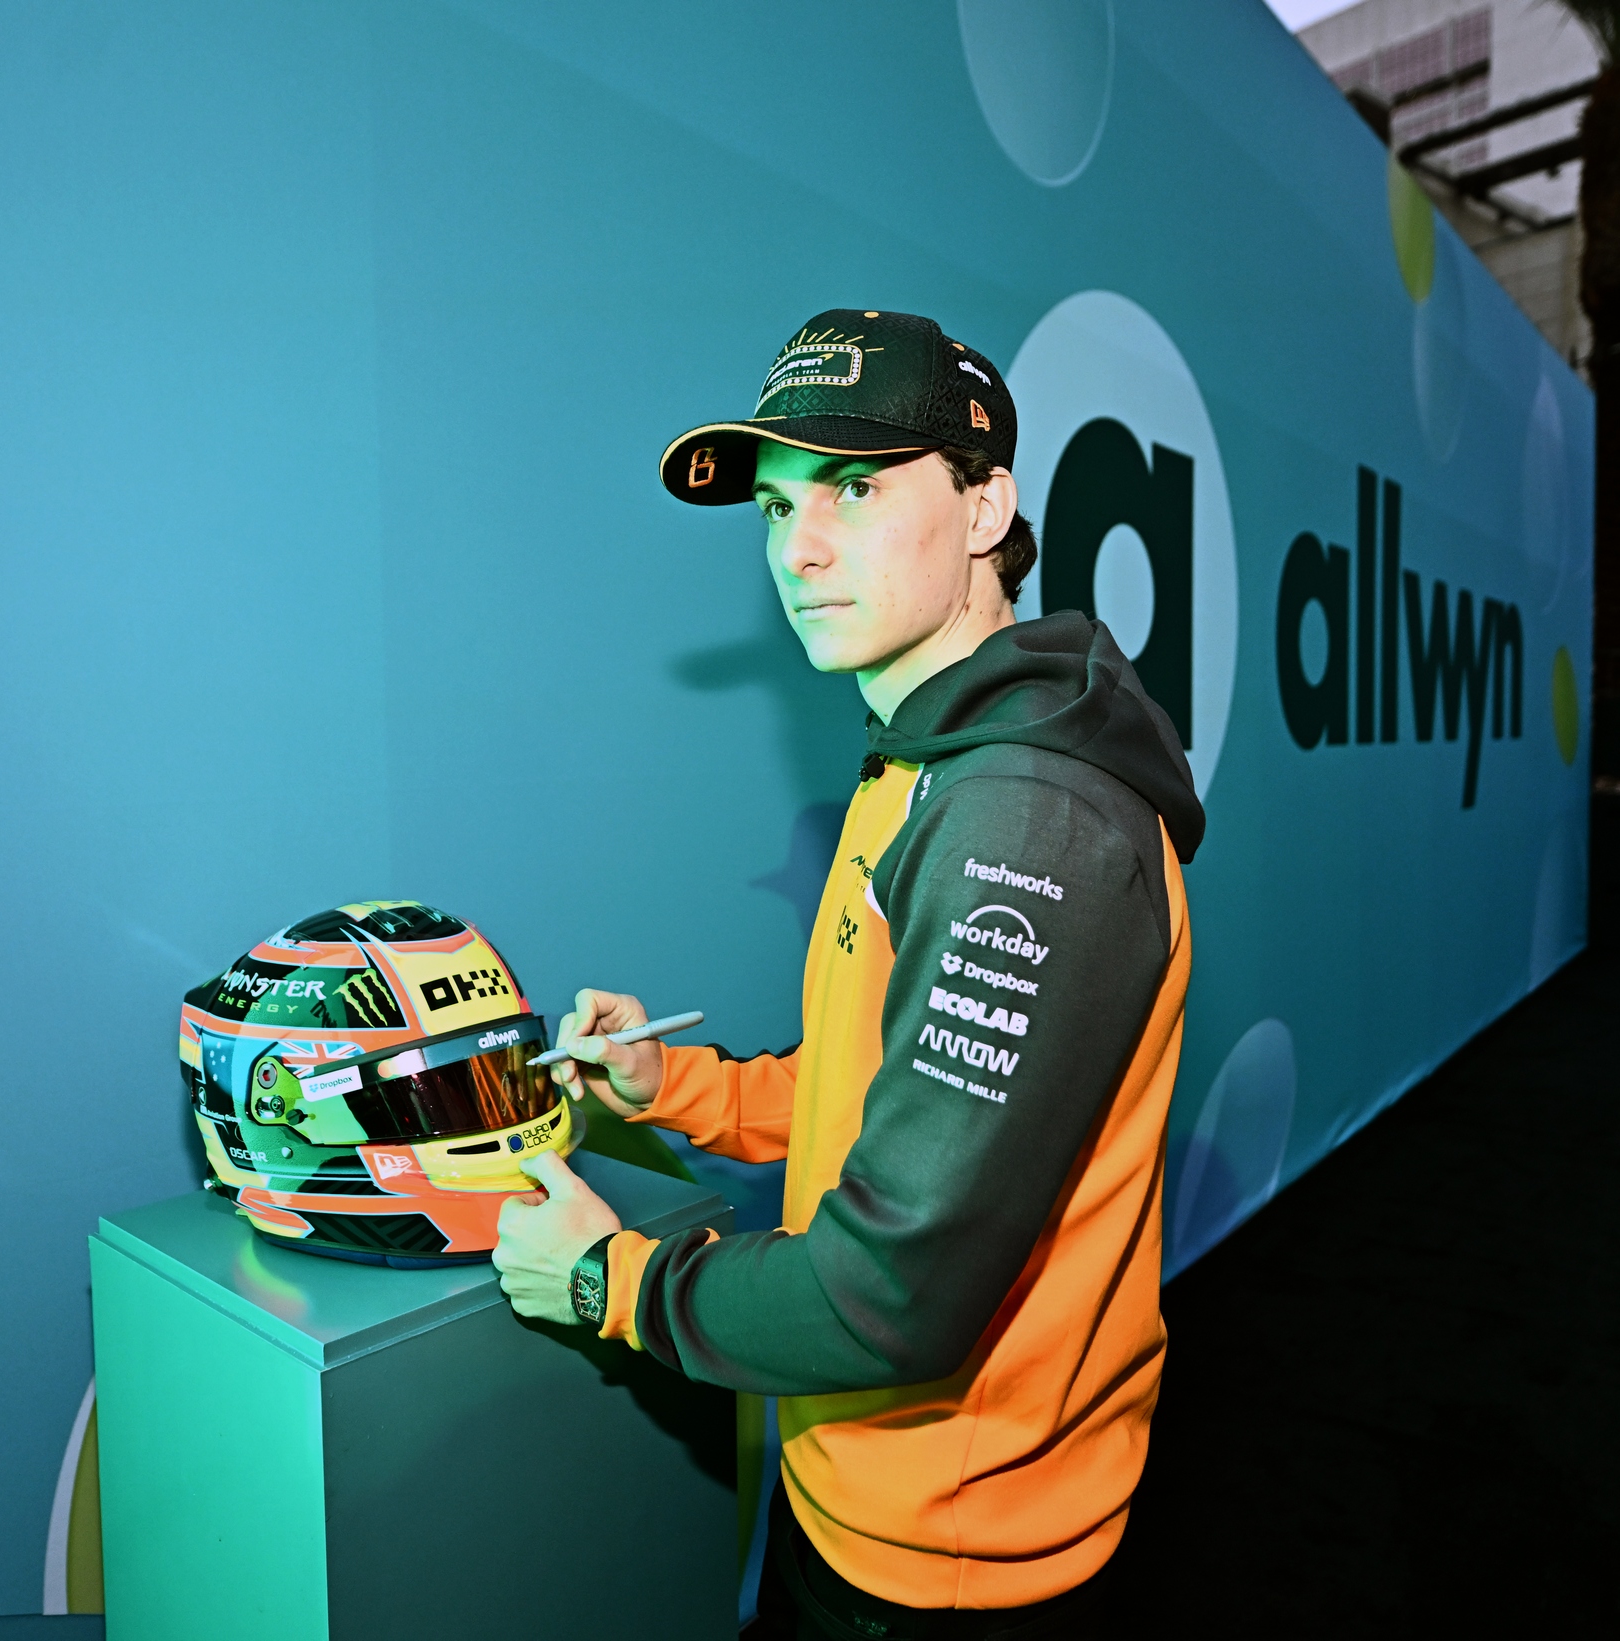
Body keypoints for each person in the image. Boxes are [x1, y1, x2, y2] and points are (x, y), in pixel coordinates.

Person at [493, 309, 1204, 1640]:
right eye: (774, 508)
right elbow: (887, 1091)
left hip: (954, 1563)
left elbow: (896, 1289)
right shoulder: (925, 756)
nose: (798, 550)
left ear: (988, 504)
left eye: (856, 489)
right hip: (857, 1494)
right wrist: (672, 1085)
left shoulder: (1026, 819)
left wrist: (613, 1277)